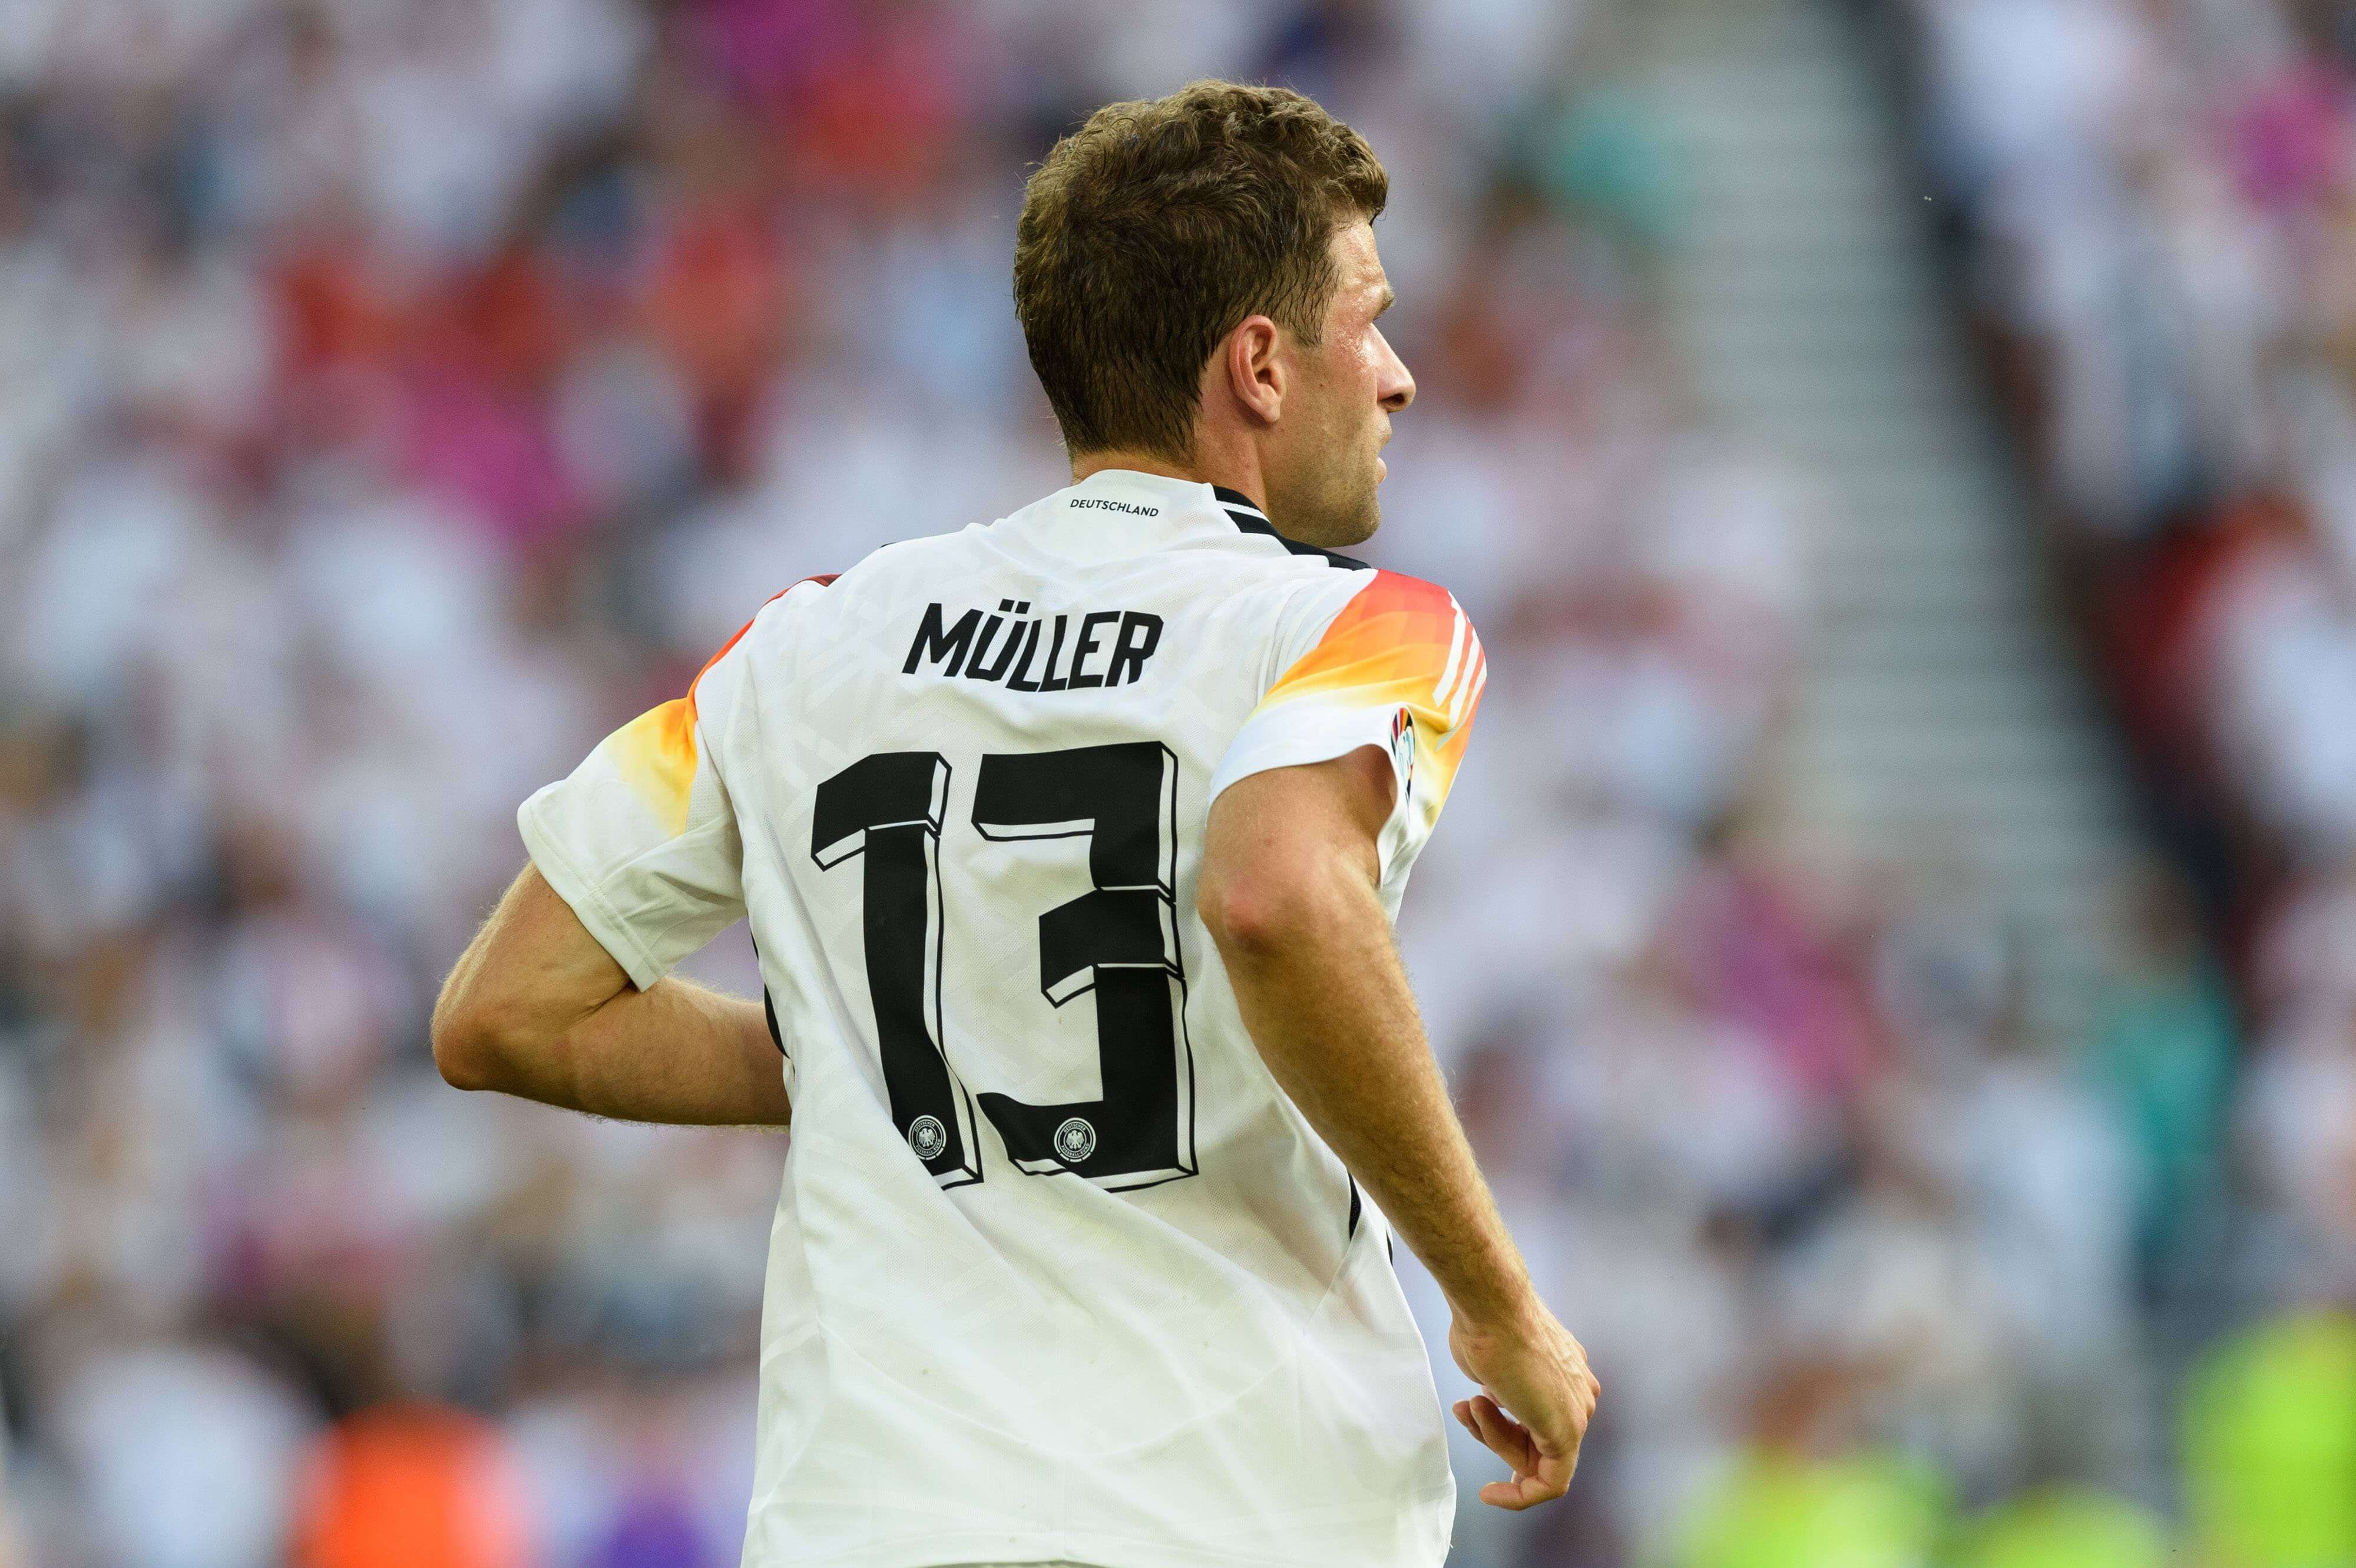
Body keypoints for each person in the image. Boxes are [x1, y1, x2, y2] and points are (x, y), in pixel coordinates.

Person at [431, 80, 1599, 1568]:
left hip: (873, 1520)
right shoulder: (1359, 628)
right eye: (1365, 321)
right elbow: (1277, 898)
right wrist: (1496, 1303)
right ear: (1257, 365)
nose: (1397, 376)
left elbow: (508, 1009)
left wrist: (897, 1043)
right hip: (1232, 1513)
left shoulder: (808, 641)